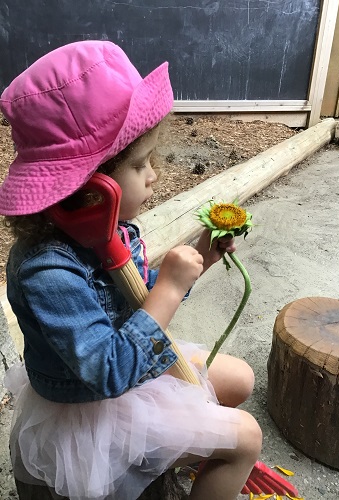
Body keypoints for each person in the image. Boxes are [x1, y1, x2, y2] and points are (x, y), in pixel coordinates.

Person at [0, 40, 262, 500]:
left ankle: (172, 466)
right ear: (92, 187)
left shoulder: (110, 228)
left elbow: (136, 297)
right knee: (246, 438)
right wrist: (171, 290)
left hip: (133, 366)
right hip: (91, 411)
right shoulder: (45, 271)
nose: (154, 175)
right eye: (140, 164)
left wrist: (198, 261)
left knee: (239, 379)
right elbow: (109, 371)